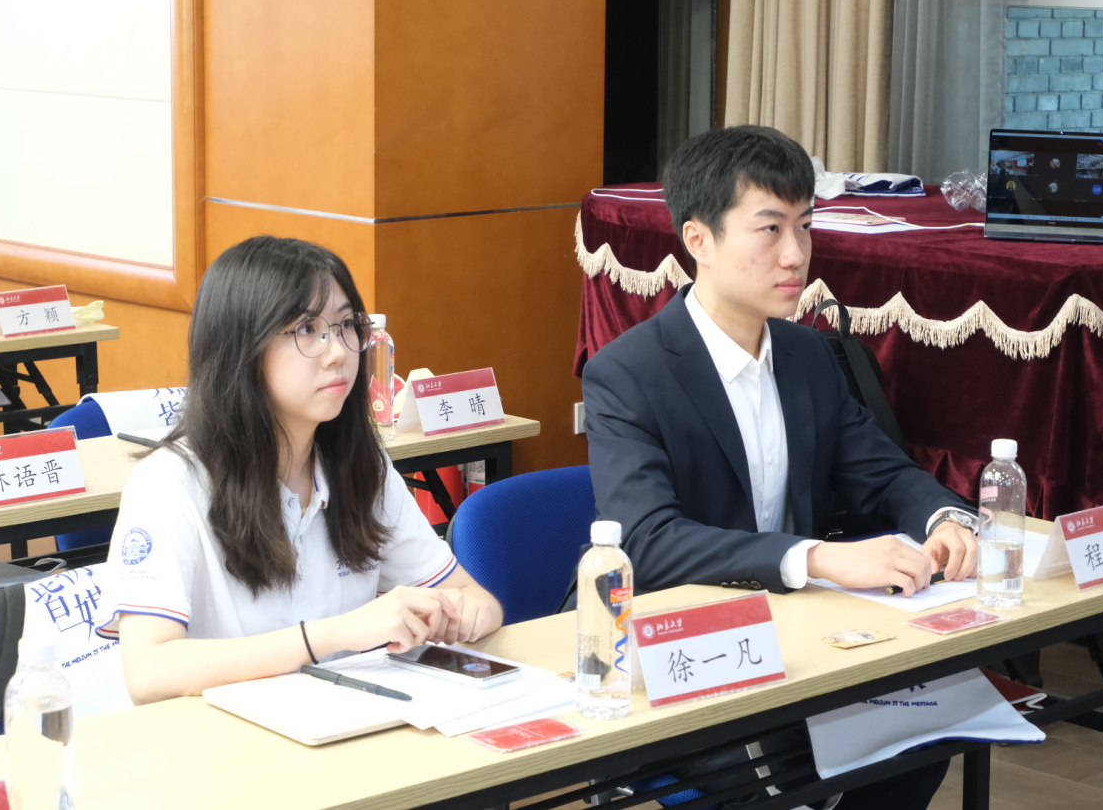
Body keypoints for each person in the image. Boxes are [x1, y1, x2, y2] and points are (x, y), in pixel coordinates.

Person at [580, 126, 977, 809]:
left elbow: (883, 472)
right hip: (677, 647)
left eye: (805, 226)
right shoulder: (628, 372)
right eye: (769, 229)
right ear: (698, 240)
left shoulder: (808, 356)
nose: (796, 254)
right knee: (797, 779)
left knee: (923, 736)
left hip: (795, 637)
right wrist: (817, 557)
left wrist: (944, 518)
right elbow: (647, 541)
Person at [97, 236, 503, 705]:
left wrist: (472, 613)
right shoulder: (169, 483)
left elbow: (473, 597)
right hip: (226, 736)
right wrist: (333, 635)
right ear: (242, 348)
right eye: (308, 329)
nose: (338, 353)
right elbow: (148, 672)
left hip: (343, 720)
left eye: (346, 325)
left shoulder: (360, 465)